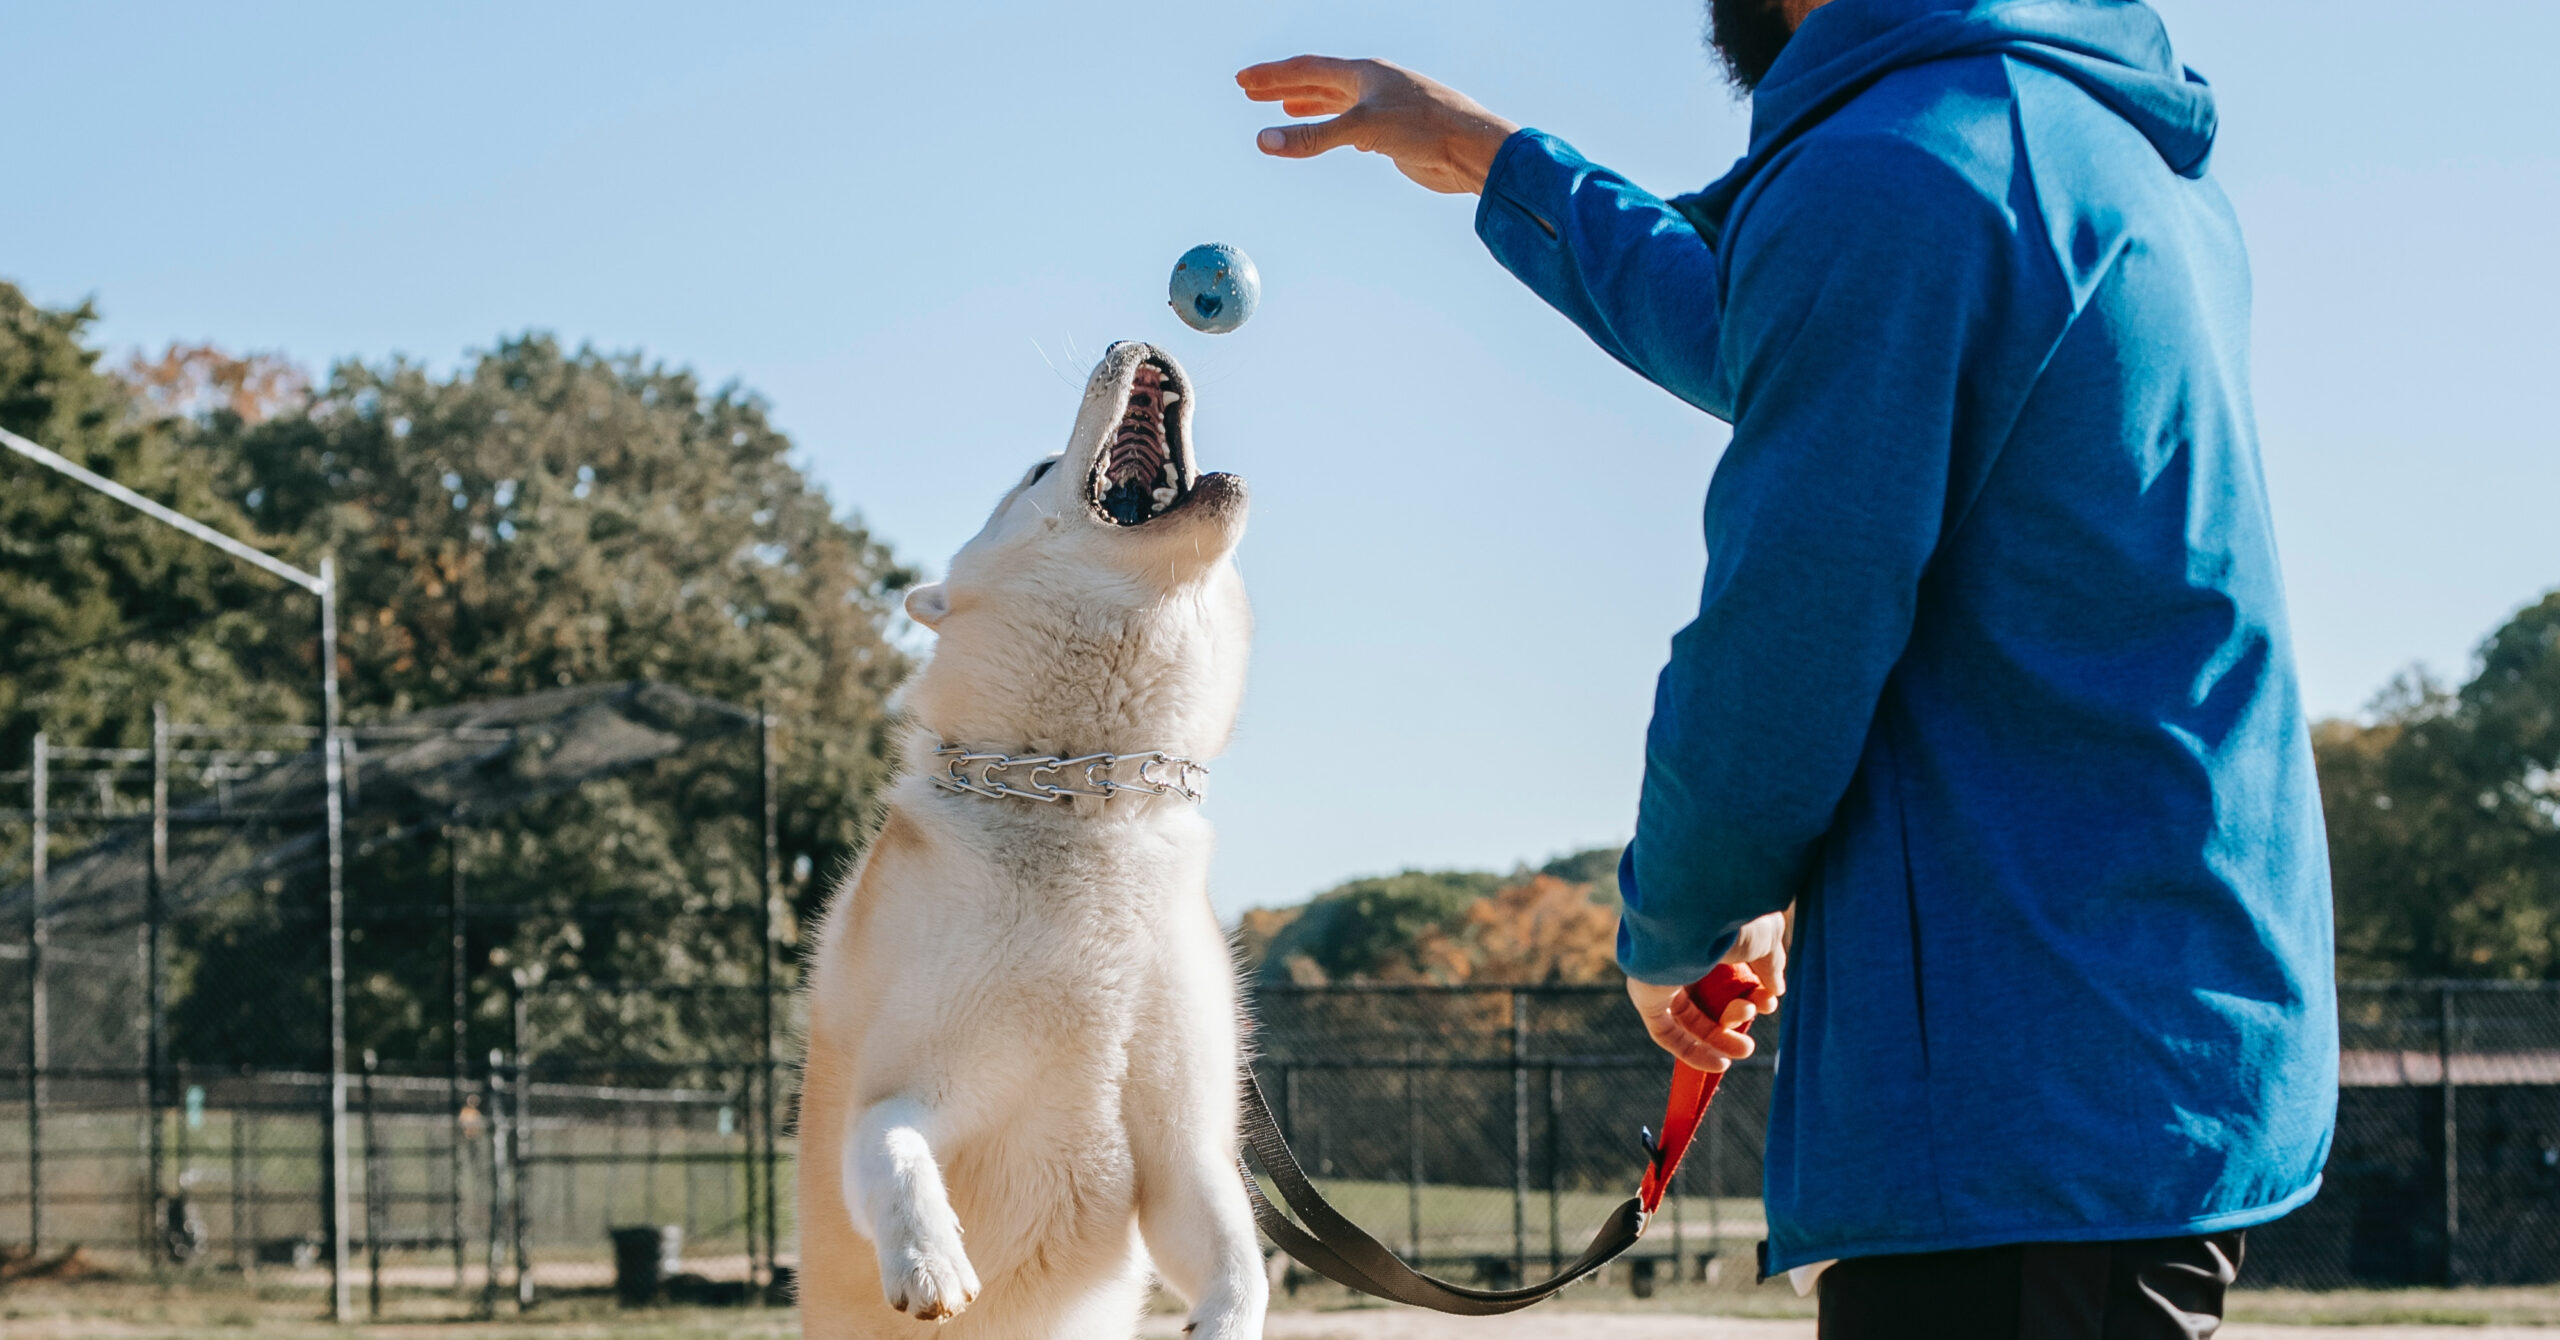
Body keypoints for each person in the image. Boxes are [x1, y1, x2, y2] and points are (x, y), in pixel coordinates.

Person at [1239, 1, 2336, 1335]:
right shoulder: (2062, 133)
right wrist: (1492, 154)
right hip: (2110, 1039)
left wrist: (1679, 921)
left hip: (2025, 1085)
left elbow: (1790, 631)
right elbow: (1769, 321)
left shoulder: (1902, 174)